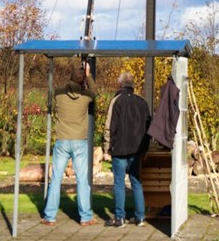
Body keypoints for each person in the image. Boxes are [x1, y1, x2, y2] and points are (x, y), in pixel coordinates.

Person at [42, 61, 98, 226]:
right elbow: (95, 92)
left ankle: (49, 216)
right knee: (82, 180)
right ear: (83, 82)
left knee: (56, 179)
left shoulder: (59, 94)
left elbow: (56, 92)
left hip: (62, 140)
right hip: (79, 141)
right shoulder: (86, 97)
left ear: (70, 78)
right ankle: (86, 217)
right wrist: (88, 74)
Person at [104, 71, 151, 227]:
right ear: (133, 85)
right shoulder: (142, 102)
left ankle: (120, 218)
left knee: (119, 183)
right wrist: (145, 149)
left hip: (119, 149)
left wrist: (106, 148)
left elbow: (110, 126)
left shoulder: (116, 101)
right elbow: (148, 128)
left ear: (120, 84)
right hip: (137, 150)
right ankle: (140, 217)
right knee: (136, 182)